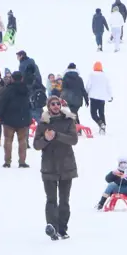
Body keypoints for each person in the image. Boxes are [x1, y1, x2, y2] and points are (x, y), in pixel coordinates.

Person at [33, 96, 79, 240]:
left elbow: (73, 140)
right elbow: (36, 145)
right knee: (51, 199)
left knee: (64, 200)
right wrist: (46, 139)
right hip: (49, 167)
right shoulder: (43, 123)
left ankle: (62, 229)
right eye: (52, 104)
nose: (55, 106)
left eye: (57, 104)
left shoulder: (69, 120)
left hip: (67, 166)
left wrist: (57, 135)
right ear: (48, 106)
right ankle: (52, 227)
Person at [0, 70, 31, 168]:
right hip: (23, 118)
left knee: (8, 140)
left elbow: (2, 104)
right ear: (22, 78)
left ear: (12, 79)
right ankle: (22, 162)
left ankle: (7, 162)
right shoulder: (26, 89)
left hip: (8, 119)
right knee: (23, 141)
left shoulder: (7, 89)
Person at [86, 61, 112, 133]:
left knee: (93, 114)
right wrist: (110, 96)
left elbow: (88, 86)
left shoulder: (92, 75)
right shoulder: (105, 76)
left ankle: (100, 123)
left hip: (93, 97)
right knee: (101, 113)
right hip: (102, 98)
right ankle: (103, 127)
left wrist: (86, 94)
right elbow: (108, 87)